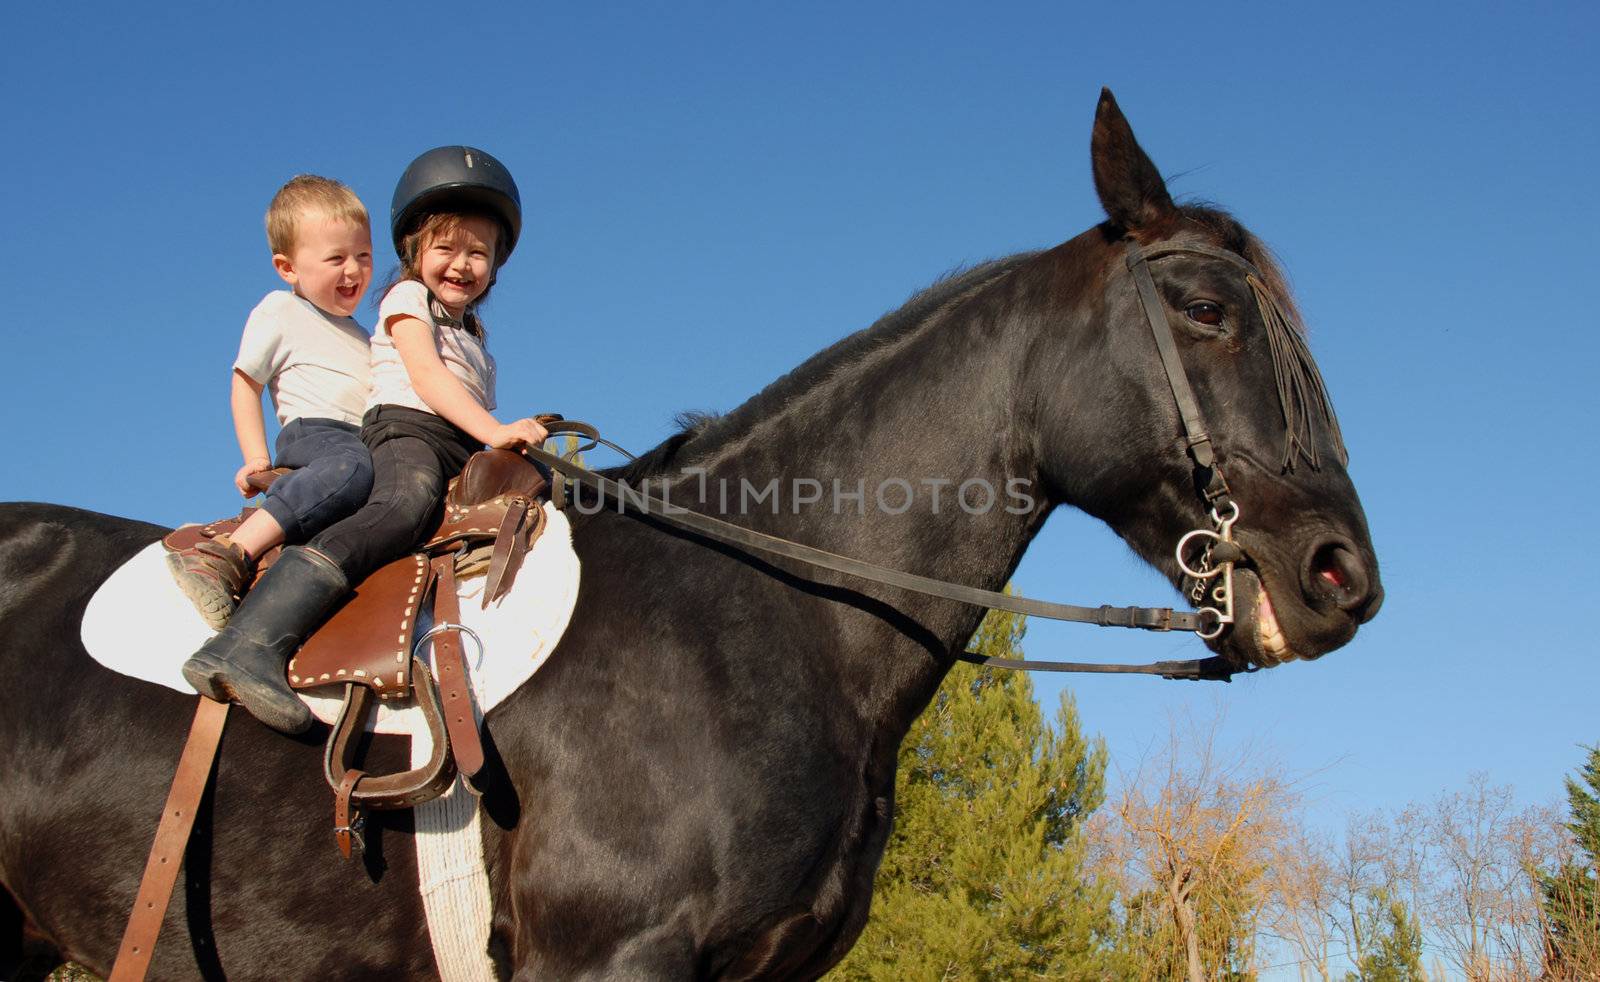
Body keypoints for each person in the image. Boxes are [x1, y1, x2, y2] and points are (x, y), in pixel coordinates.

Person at [183, 147, 549, 734]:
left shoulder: (476, 337)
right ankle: (247, 641)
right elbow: (427, 380)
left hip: (453, 442)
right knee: (400, 505)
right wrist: (496, 432)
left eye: (479, 252)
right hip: (408, 429)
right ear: (412, 253)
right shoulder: (405, 300)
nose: (463, 264)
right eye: (446, 249)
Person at [168, 175, 375, 629]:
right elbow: (246, 383)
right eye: (336, 258)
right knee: (349, 469)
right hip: (317, 435)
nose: (354, 270)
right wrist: (256, 456)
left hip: (364, 442)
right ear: (288, 268)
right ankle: (231, 554)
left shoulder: (367, 337)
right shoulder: (281, 311)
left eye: (364, 255)